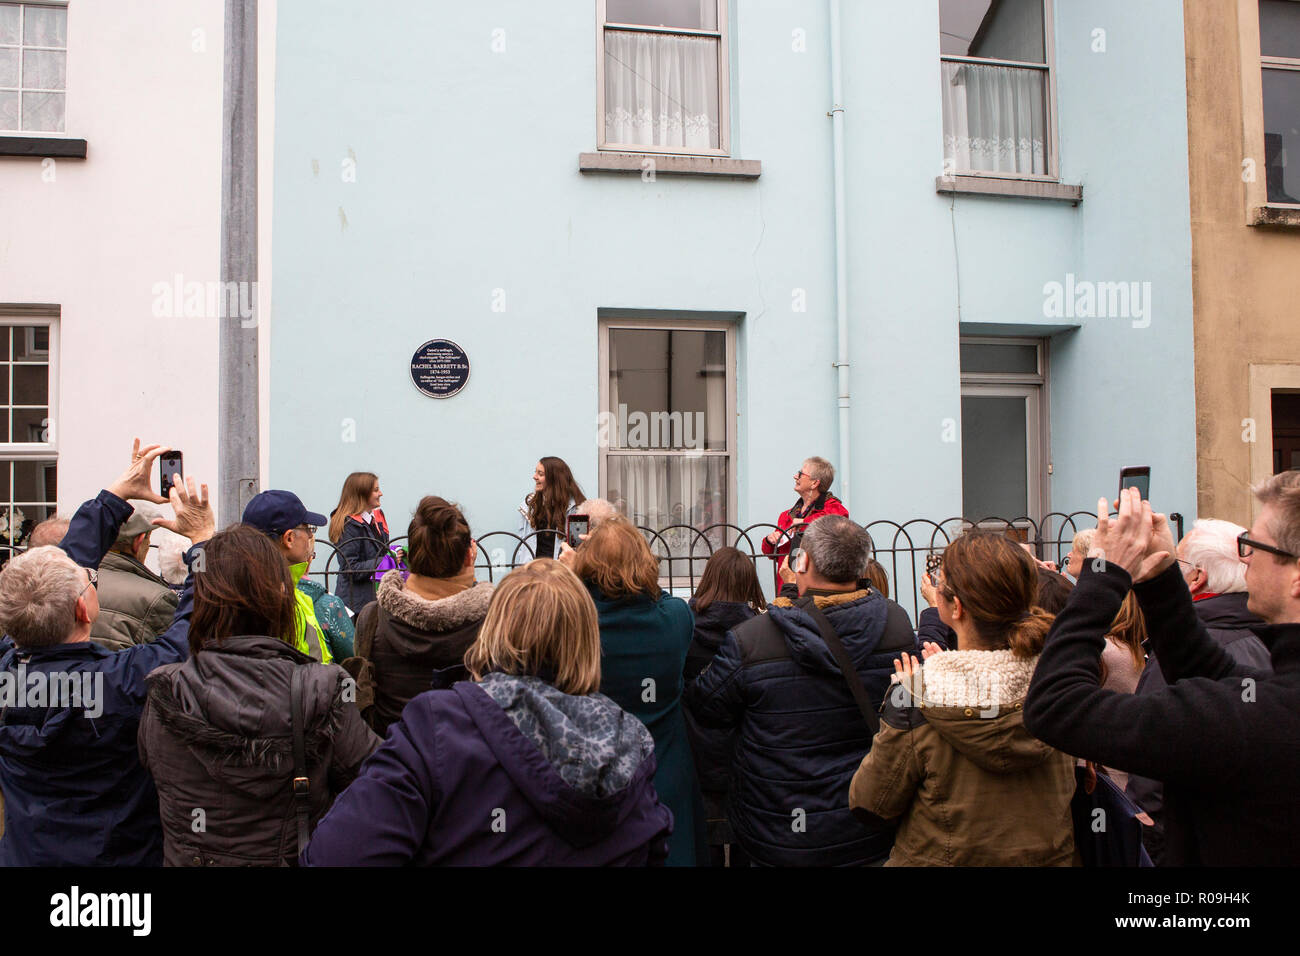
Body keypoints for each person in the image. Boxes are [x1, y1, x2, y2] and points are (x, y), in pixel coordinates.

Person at [301, 559, 674, 866]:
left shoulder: (439, 726)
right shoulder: (628, 744)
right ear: (587, 643)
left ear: (493, 629)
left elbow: (336, 854)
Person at [1023, 483, 1300, 865]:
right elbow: (1214, 674)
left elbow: (1055, 706)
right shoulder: (1271, 698)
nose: (1246, 559)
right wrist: (1159, 578)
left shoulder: (1256, 719)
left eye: (1253, 545)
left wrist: (1103, 574)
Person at [0, 440, 212, 866]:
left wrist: (116, 496)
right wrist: (203, 541)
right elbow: (193, 629)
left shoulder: (6, 672)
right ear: (84, 608)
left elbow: (51, 579)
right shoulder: (120, 682)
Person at [138, 524, 380, 866]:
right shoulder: (321, 689)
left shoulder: (165, 690)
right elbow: (379, 784)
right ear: (280, 598)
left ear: (201, 601)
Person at [688, 515, 916, 866]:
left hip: (778, 828)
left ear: (802, 562)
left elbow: (707, 706)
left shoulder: (752, 639)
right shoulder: (897, 625)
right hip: (865, 823)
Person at [848, 532, 1076, 866]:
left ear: (956, 607)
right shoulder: (1060, 686)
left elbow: (870, 804)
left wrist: (905, 701)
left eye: (940, 582)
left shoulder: (919, 698)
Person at [1124, 517, 1271, 864]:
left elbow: (1153, 752)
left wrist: (1148, 839)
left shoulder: (1185, 648)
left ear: (1196, 577)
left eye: (1176, 562)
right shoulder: (1272, 634)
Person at [570, 517, 702, 866]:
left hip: (600, 780)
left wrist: (572, 576)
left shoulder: (577, 627)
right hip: (665, 774)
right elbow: (667, 600)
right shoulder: (675, 618)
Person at [353, 496, 495, 737]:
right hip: (471, 753)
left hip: (394, 750)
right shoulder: (494, 622)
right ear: (469, 556)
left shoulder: (373, 617)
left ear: (412, 556)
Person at [681, 547, 765, 866]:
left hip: (696, 751)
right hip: (745, 756)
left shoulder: (685, 625)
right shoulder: (759, 631)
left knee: (706, 846)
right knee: (747, 842)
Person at [241, 490, 334, 663]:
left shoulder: (287, 592)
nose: (310, 536)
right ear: (289, 538)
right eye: (308, 529)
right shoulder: (274, 600)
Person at [88, 500, 179, 651]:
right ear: (139, 541)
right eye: (148, 540)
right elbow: (176, 655)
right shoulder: (157, 598)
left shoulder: (71, 583)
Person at [760, 457, 848, 587]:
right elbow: (771, 553)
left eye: (801, 474)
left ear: (814, 483)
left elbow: (835, 522)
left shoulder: (833, 507)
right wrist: (770, 540)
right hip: (788, 586)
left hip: (817, 588)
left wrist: (804, 522)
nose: (795, 476)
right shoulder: (786, 515)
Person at [328, 472, 392, 615]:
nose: (380, 493)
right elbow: (350, 568)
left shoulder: (374, 519)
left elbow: (381, 552)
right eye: (376, 490)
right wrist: (384, 561)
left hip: (373, 600)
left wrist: (395, 555)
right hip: (357, 606)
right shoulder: (349, 525)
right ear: (362, 494)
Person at [518, 456, 586, 560]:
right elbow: (522, 546)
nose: (534, 477)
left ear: (554, 479)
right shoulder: (529, 506)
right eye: (535, 472)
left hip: (560, 569)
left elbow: (577, 548)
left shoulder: (577, 509)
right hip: (533, 568)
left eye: (540, 474)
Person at [297, 553, 355, 660]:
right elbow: (352, 656)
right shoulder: (329, 605)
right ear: (309, 560)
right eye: (313, 555)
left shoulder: (265, 600)